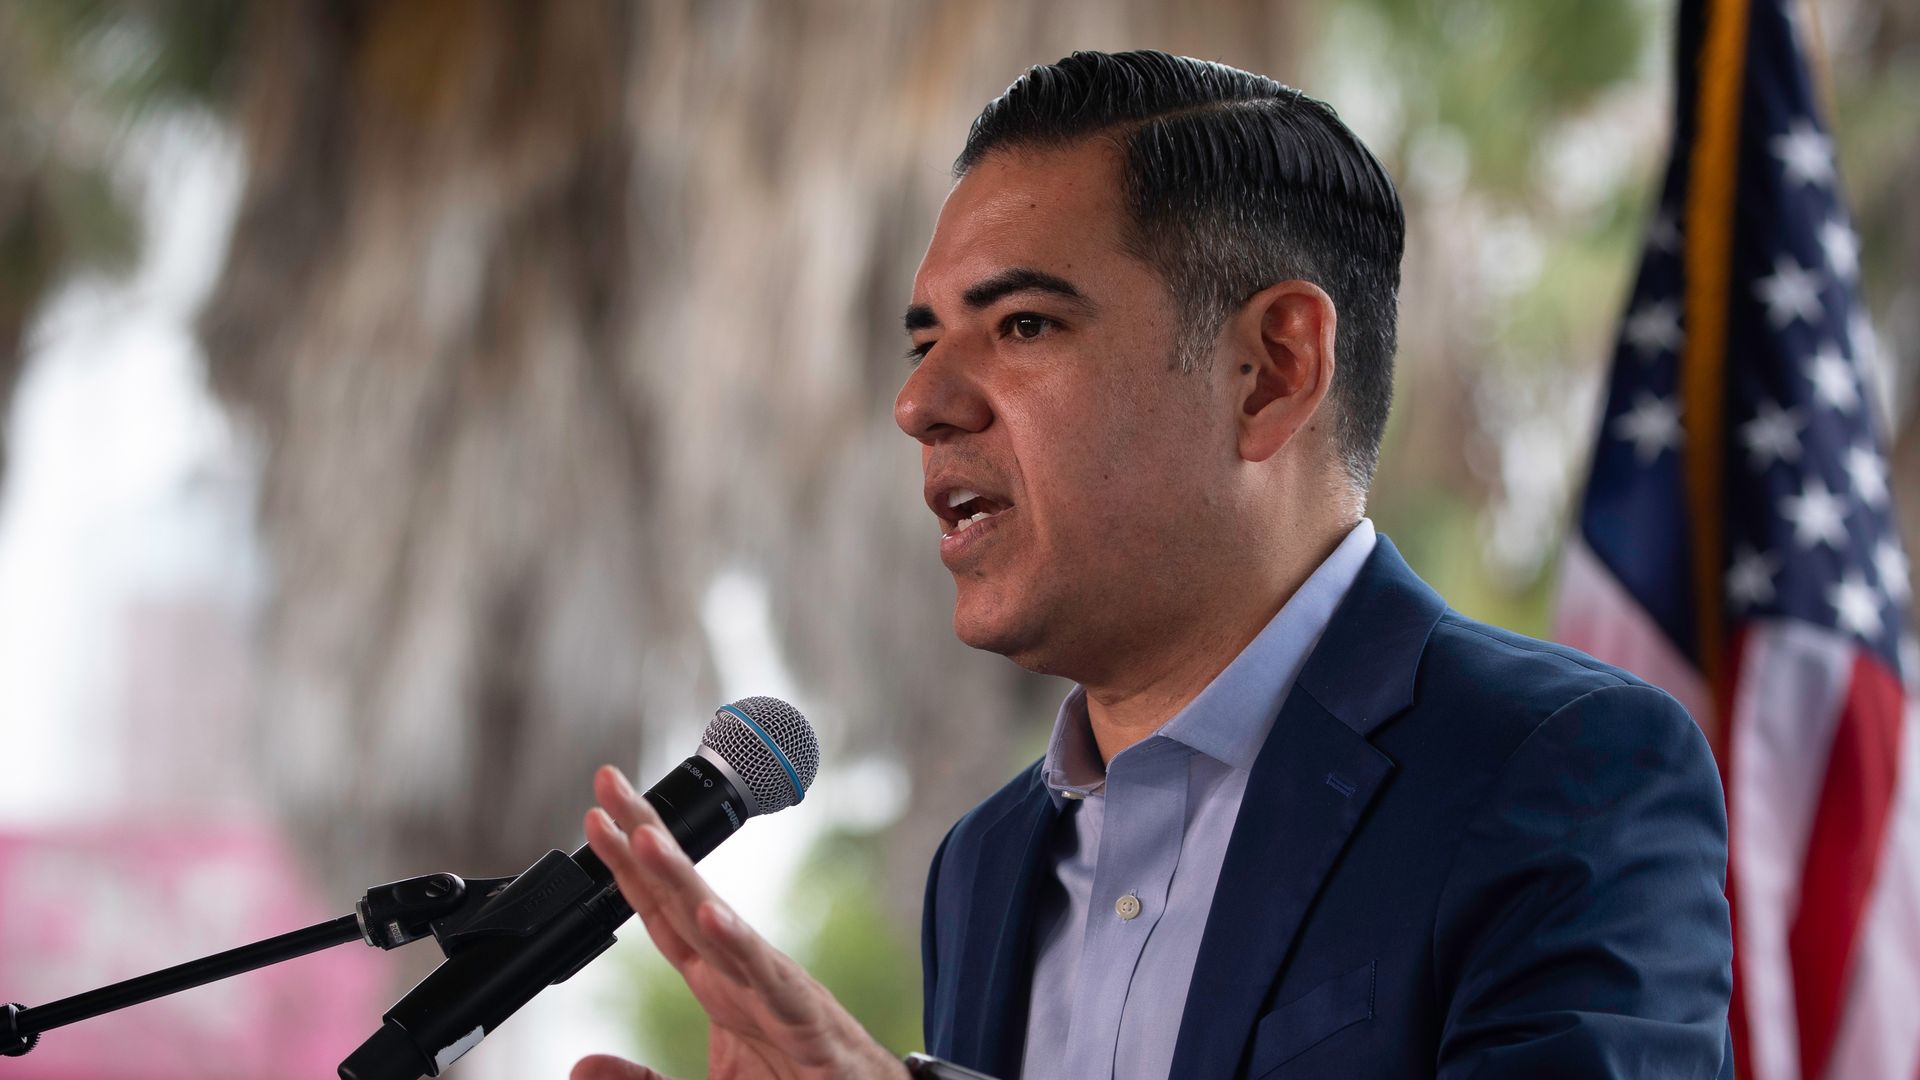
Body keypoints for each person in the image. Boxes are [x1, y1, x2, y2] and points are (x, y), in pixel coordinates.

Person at [574, 50, 1734, 1080]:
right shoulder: (982, 867)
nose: (919, 403)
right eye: (925, 340)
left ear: (1272, 370)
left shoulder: (1557, 771)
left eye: (1022, 324)